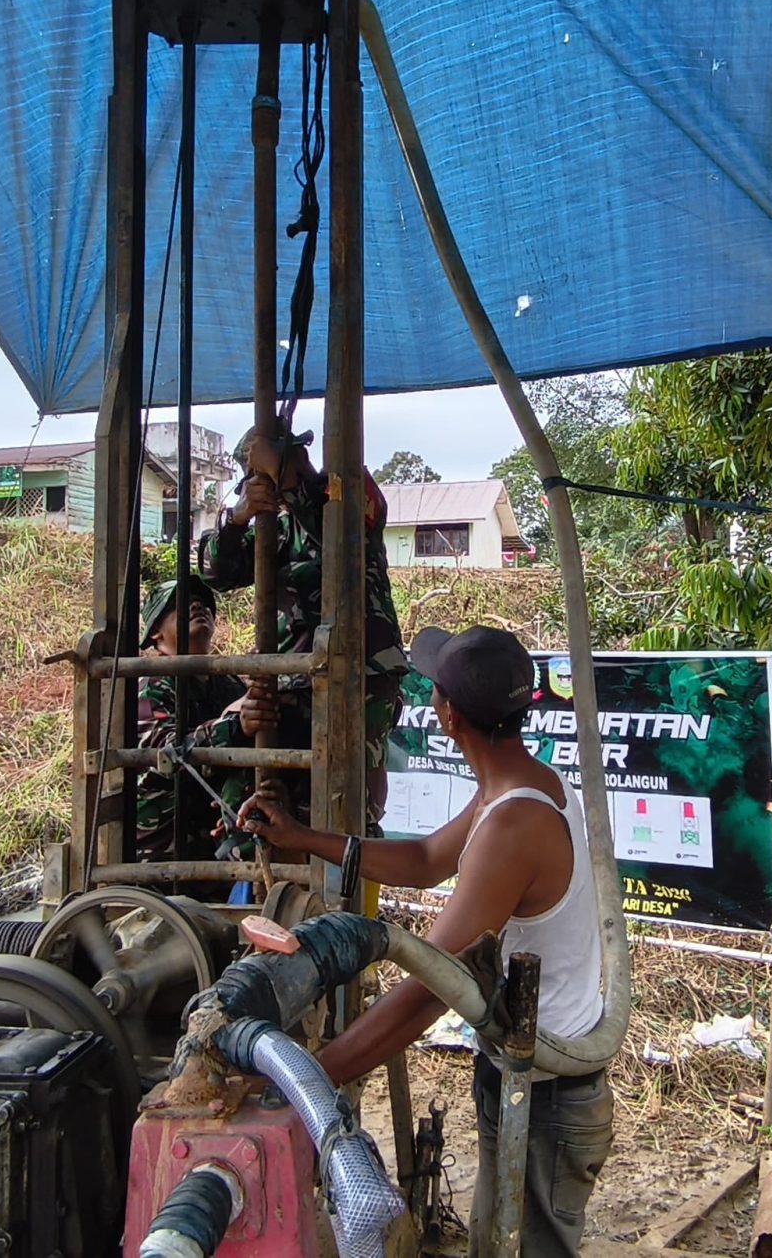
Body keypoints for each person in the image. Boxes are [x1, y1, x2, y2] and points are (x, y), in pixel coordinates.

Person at [235, 625, 611, 1258]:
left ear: (448, 715)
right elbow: (427, 858)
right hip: (524, 1074)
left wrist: (304, 1078)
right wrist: (305, 838)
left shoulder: (514, 824)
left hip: (550, 1098)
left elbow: (429, 988)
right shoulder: (516, 785)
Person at [198, 421, 408, 831]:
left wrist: (288, 481)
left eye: (283, 461)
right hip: (295, 682)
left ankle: (342, 883)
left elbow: (344, 533)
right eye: (259, 475)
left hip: (361, 677)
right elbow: (216, 572)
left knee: (344, 804)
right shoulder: (273, 528)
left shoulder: (345, 489)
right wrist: (237, 519)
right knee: (268, 792)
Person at [130, 576, 248, 863]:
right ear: (156, 632)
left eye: (204, 603)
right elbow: (166, 751)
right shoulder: (153, 684)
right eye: (181, 604)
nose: (198, 606)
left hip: (213, 839)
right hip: (165, 847)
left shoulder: (228, 684)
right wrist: (236, 724)